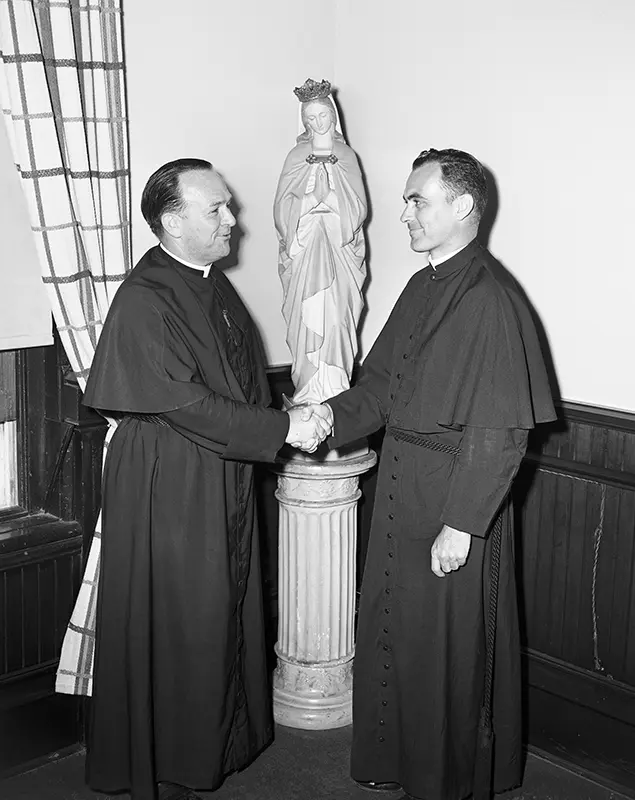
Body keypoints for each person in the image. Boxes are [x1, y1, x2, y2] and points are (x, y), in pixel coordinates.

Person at [309, 149, 556, 800]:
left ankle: (444, 782)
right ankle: (399, 762)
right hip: (400, 482)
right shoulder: (424, 285)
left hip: (449, 496)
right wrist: (318, 421)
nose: (404, 212)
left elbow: (501, 430)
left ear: (463, 207)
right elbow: (382, 384)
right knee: (398, 633)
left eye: (418, 199)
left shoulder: (491, 299)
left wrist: (461, 523)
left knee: (447, 650)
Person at [82, 159, 329, 800]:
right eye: (216, 208)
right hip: (169, 478)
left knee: (224, 602)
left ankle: (223, 742)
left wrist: (282, 418)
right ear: (172, 219)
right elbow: (185, 403)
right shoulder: (145, 296)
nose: (232, 219)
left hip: (215, 465)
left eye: (227, 207)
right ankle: (180, 754)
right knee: (186, 614)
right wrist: (282, 431)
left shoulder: (210, 283)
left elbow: (241, 379)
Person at [274, 78, 367, 405]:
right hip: (305, 251)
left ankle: (336, 394)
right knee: (306, 322)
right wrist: (310, 200)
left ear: (333, 116)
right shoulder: (296, 156)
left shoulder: (346, 155)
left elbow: (357, 209)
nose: (317, 124)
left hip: (338, 255)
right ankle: (309, 391)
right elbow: (282, 211)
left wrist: (333, 201)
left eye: (322, 117)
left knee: (336, 318)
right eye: (310, 119)